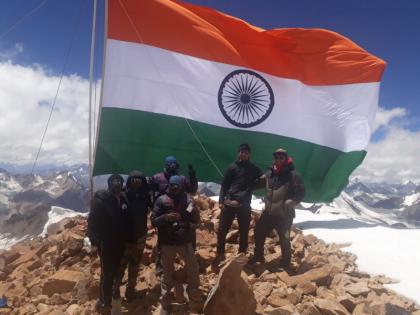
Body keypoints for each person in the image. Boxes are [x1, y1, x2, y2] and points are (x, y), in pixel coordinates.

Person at [151, 175, 201, 315]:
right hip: (167, 243)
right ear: (169, 185)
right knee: (167, 272)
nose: (174, 188)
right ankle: (165, 301)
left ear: (181, 186)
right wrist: (166, 217)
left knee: (193, 267)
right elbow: (154, 221)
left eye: (177, 185)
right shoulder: (161, 200)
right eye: (172, 185)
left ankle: (194, 294)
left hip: (184, 241)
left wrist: (194, 211)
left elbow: (196, 220)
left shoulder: (188, 200)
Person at [248, 148, 305, 269]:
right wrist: (248, 183)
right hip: (268, 213)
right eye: (276, 158)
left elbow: (301, 192)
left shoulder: (293, 175)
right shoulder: (270, 173)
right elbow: (259, 184)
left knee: (284, 238)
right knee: (258, 232)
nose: (278, 160)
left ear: (286, 159)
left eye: (281, 158)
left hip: (284, 215)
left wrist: (293, 201)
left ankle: (285, 263)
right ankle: (258, 256)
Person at [87, 174, 130, 315]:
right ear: (109, 184)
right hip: (107, 243)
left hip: (121, 243)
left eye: (119, 181)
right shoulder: (101, 201)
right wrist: (94, 242)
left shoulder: (123, 198)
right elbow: (92, 222)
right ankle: (106, 302)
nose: (117, 184)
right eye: (114, 182)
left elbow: (127, 219)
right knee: (108, 274)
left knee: (117, 272)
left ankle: (111, 296)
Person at [216, 143, 263, 261]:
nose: (243, 154)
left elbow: (264, 180)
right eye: (242, 152)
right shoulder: (232, 167)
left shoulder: (254, 169)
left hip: (244, 205)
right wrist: (221, 200)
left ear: (249, 154)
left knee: (244, 230)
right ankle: (220, 252)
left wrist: (253, 186)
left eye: (246, 152)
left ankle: (242, 254)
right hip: (229, 203)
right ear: (239, 153)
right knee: (222, 229)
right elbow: (225, 184)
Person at [113, 170, 152, 302]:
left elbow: (154, 207)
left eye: (139, 179)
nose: (136, 181)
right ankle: (115, 292)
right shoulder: (122, 195)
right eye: (133, 178)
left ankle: (130, 291)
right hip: (123, 239)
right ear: (129, 180)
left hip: (140, 236)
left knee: (135, 266)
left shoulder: (145, 196)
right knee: (120, 266)